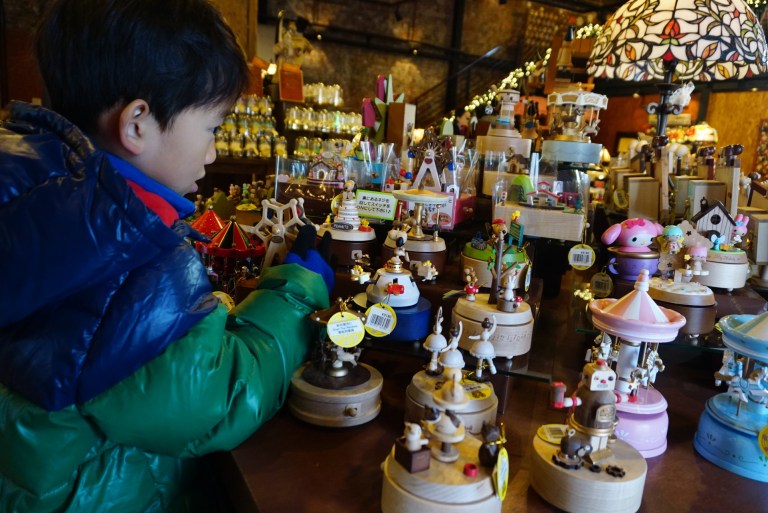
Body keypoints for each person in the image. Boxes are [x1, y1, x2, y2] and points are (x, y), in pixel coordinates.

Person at [0, 1, 333, 512]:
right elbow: (216, 401)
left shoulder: (33, 190)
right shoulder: (132, 258)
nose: (212, 153)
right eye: (212, 128)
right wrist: (294, 295)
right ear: (137, 124)